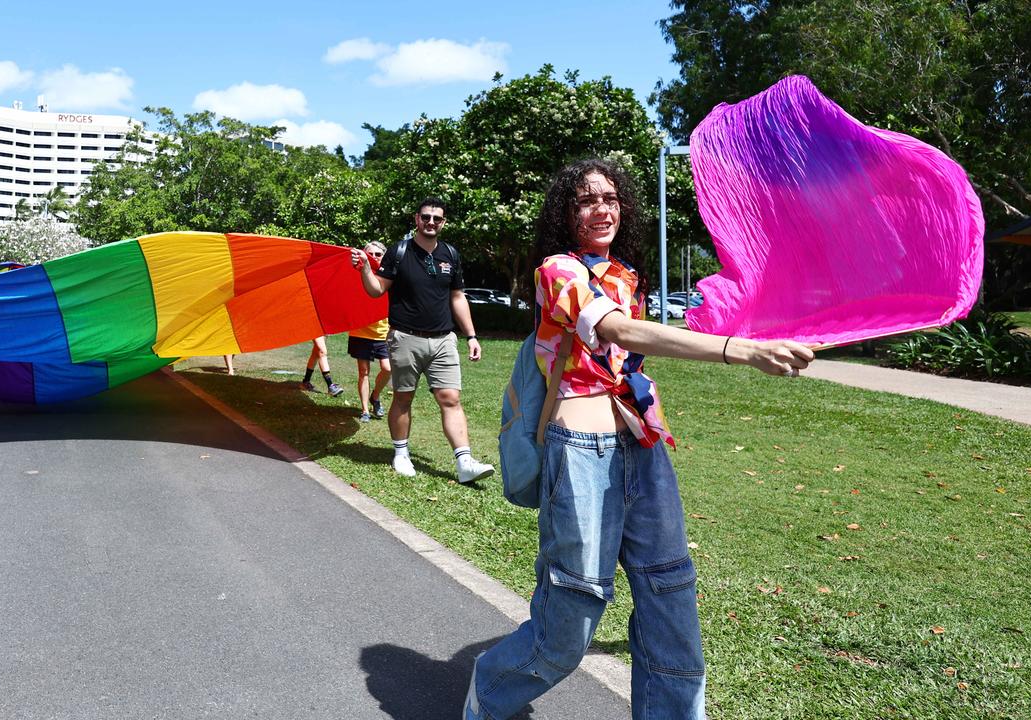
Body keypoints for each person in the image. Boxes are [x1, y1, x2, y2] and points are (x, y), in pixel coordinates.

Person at [462, 158, 814, 720]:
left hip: (643, 446)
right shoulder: (557, 271)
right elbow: (615, 332)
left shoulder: (626, 275)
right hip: (580, 451)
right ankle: (491, 686)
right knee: (570, 617)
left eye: (611, 199)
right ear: (565, 213)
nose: (602, 209)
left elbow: (639, 348)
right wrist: (741, 352)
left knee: (671, 595)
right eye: (586, 200)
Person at [350, 197, 494, 484]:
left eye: (436, 219)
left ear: (443, 223)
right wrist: (365, 269)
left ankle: (464, 461)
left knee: (450, 398)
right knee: (404, 398)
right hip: (405, 338)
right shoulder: (399, 251)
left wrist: (472, 335)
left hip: (443, 340)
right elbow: (377, 290)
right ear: (417, 219)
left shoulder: (450, 254)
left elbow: (457, 296)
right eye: (426, 217)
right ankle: (401, 454)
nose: (431, 222)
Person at [347, 242, 392, 422]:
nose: (374, 257)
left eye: (378, 254)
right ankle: (365, 410)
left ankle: (375, 396)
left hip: (383, 333)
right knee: (363, 372)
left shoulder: (388, 277)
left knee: (387, 369)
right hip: (360, 332)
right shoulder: (354, 275)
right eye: (370, 253)